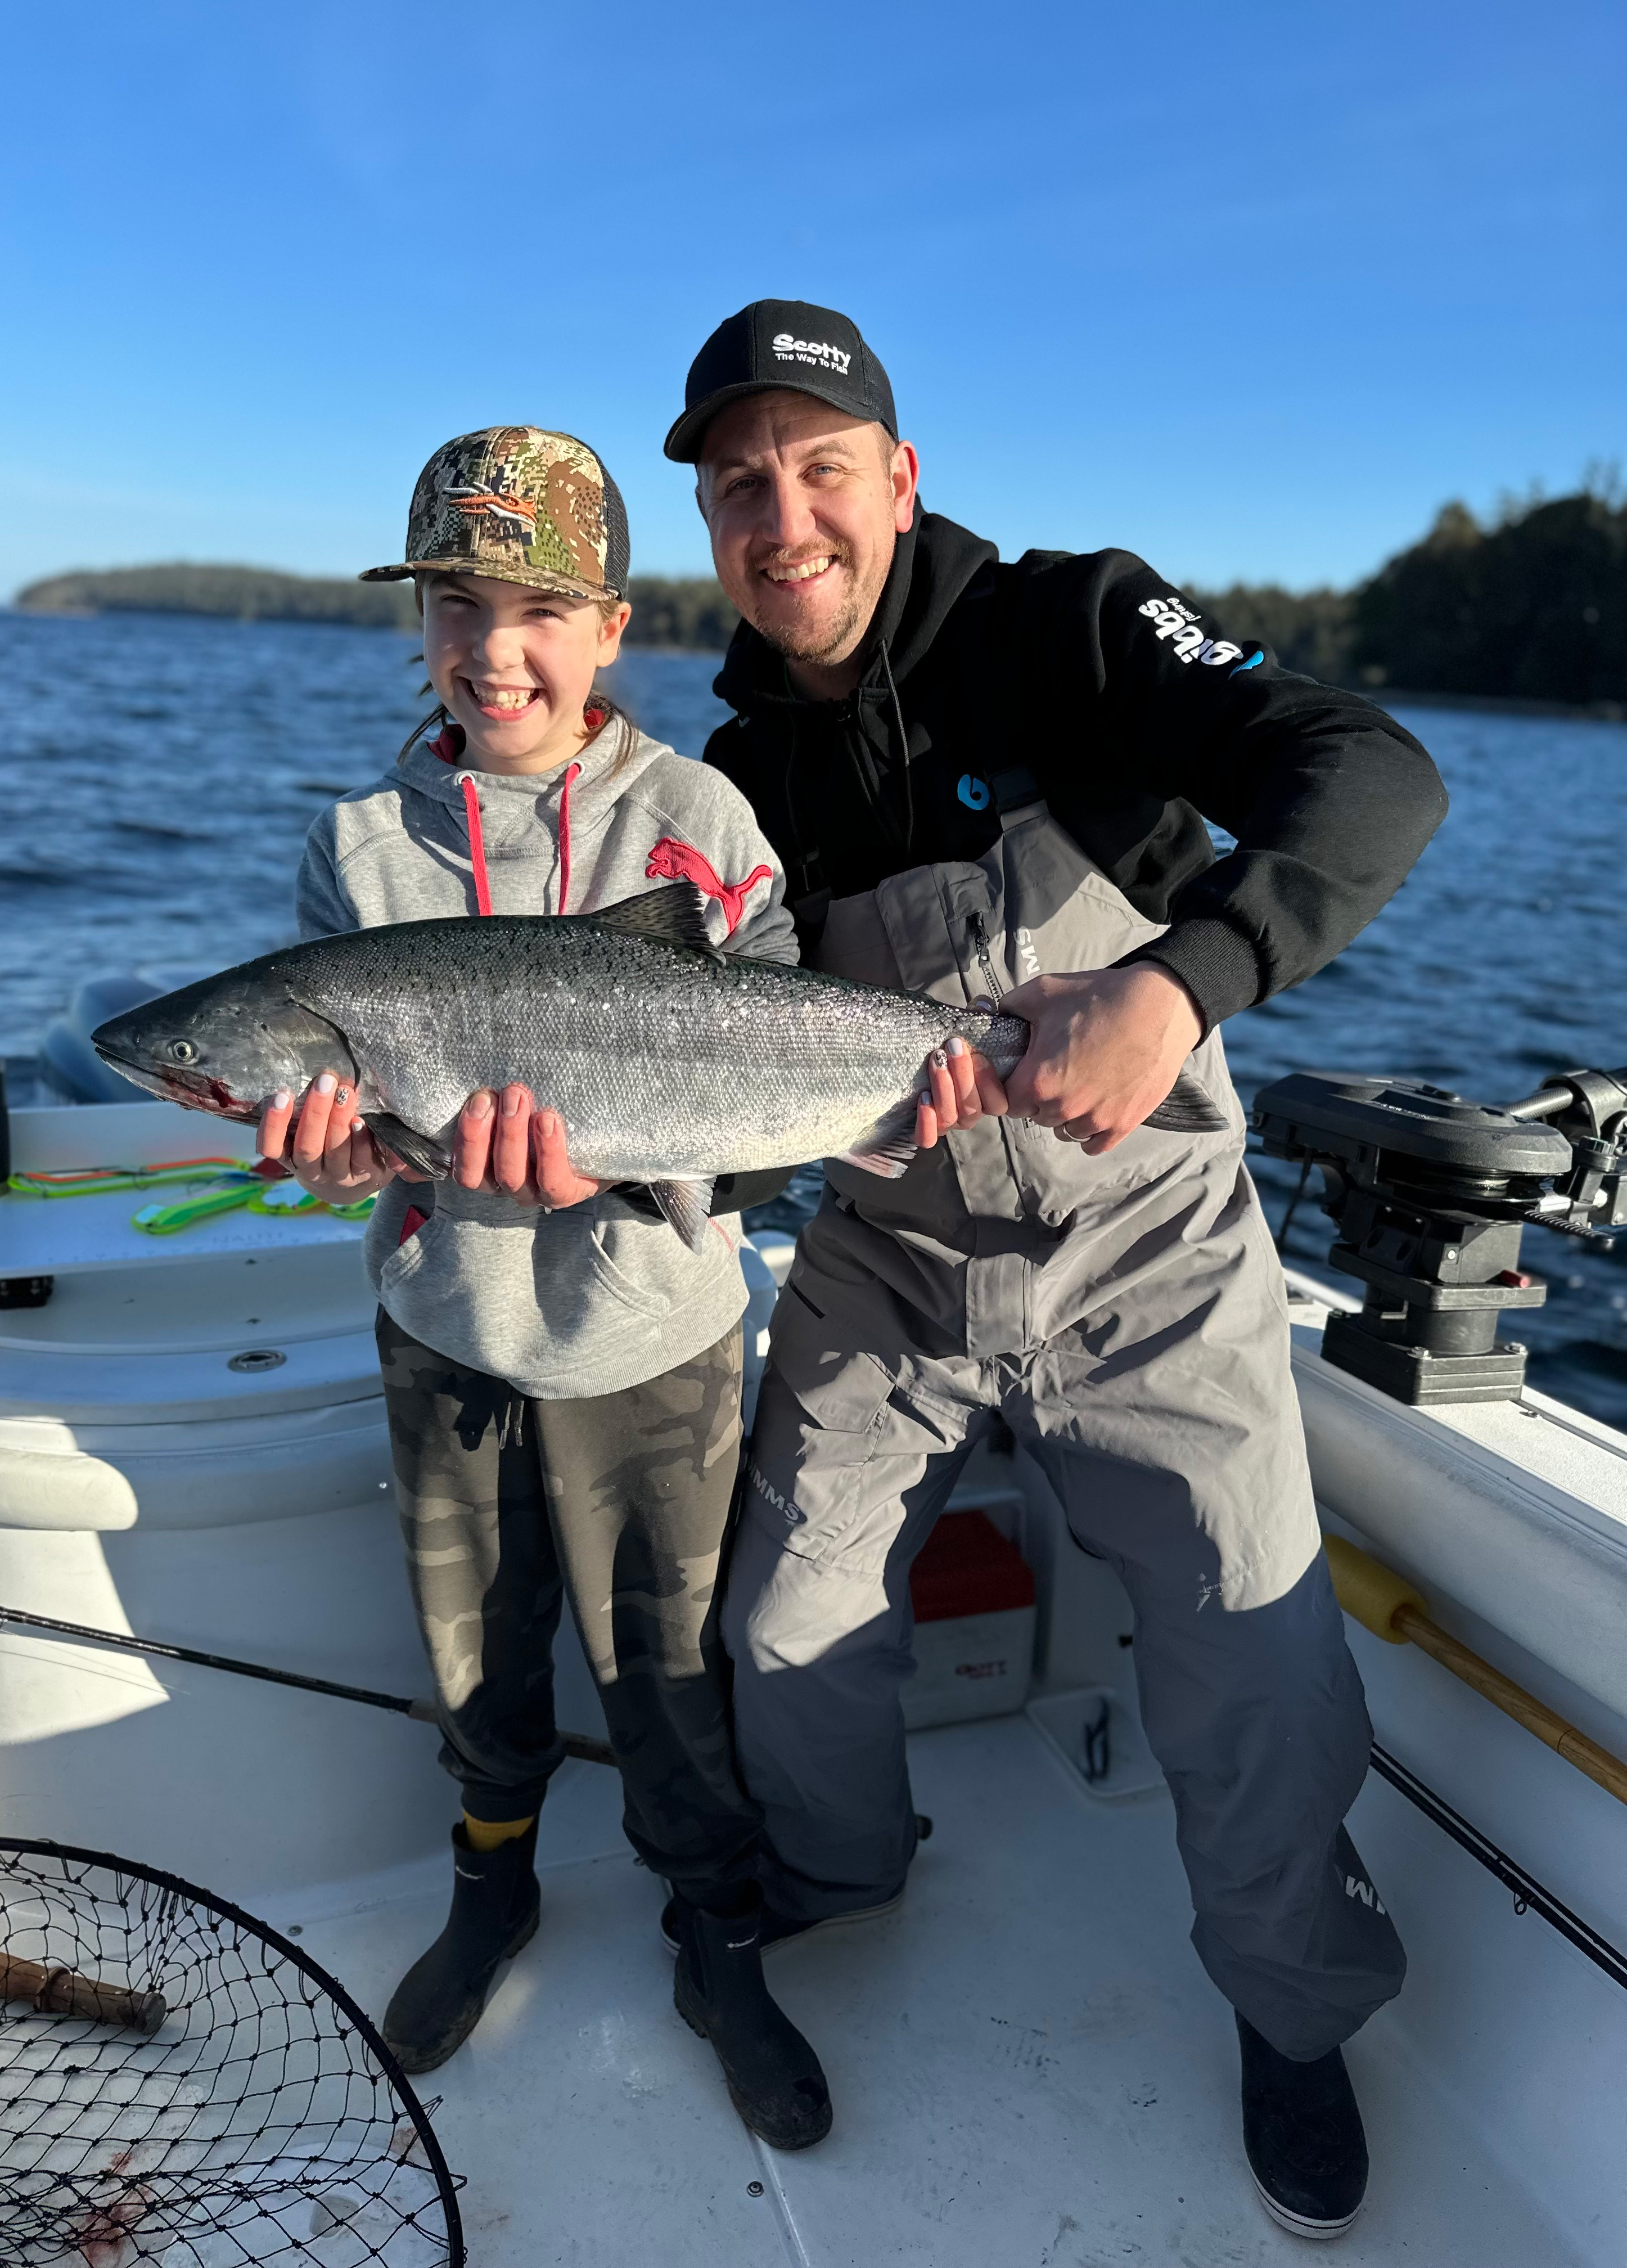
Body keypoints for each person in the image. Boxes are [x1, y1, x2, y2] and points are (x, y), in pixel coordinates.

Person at [664, 302, 1449, 2238]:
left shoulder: (1073, 626)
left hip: (1150, 1247)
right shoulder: (729, 779)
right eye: (742, 485)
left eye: (821, 468)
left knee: (1254, 1652)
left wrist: (1183, 982)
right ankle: (847, 1876)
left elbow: (1372, 772)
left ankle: (1293, 2013)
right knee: (781, 1631)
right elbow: (725, 1091)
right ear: (711, 526)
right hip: (889, 1256)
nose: (787, 521)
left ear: (900, 479)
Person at [258, 425, 831, 2151]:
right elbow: (312, 1127)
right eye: (451, 602)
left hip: (654, 1336)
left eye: (531, 606)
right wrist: (328, 1159)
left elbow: (787, 1065)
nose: (488, 646)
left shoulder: (697, 820)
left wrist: (660, 1159)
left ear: (610, 627)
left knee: (666, 1666)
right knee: (475, 1659)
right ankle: (492, 1889)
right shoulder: (359, 847)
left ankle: (713, 1933)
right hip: (448, 1326)